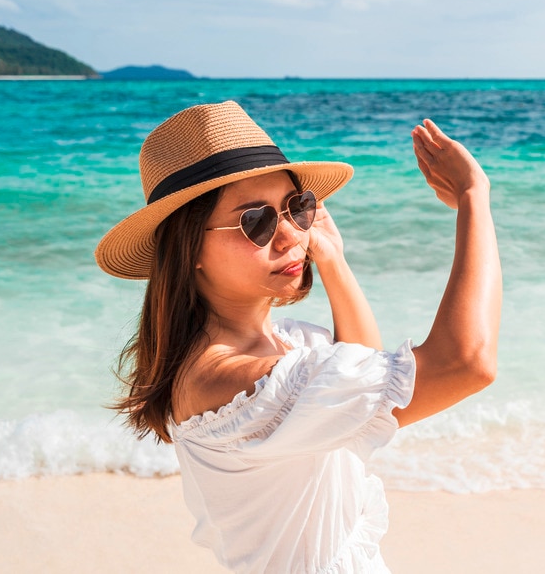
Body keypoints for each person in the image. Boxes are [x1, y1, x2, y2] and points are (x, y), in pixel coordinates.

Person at [95, 100, 501, 573]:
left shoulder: (283, 344)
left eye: (296, 208)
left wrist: (332, 259)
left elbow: (359, 379)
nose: (288, 235)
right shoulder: (236, 383)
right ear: (190, 248)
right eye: (256, 222)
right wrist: (473, 196)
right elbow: (467, 364)